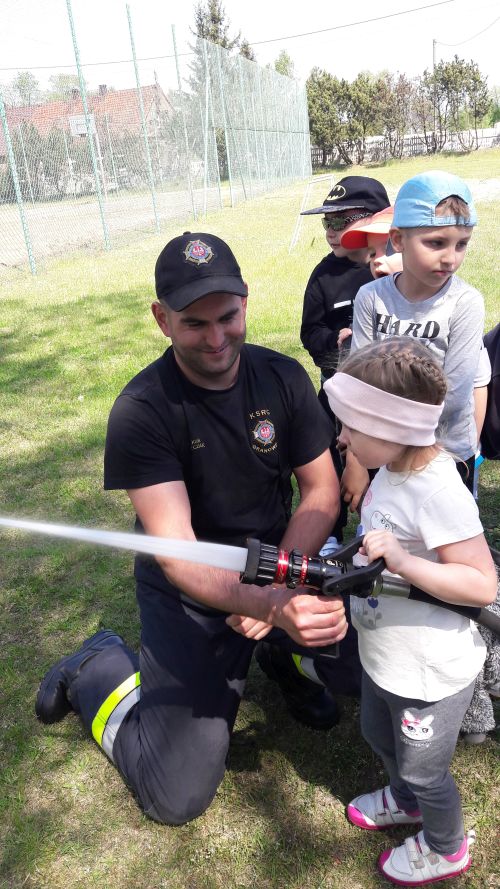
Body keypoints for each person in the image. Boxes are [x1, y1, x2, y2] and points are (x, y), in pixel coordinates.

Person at [35, 232, 361, 826]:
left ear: (245, 300)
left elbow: (320, 490)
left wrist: (278, 592)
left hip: (279, 566)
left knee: (368, 665)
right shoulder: (141, 409)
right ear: (162, 320)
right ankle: (96, 667)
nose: (216, 339)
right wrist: (265, 602)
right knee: (175, 795)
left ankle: (282, 661)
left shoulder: (283, 377)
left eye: (228, 317)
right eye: (194, 323)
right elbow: (178, 554)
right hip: (189, 593)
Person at [324, 337, 497, 886]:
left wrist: (402, 561)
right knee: (378, 735)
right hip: (385, 657)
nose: (341, 437)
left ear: (393, 428)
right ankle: (405, 801)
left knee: (426, 770)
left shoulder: (438, 491)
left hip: (430, 675)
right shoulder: (389, 470)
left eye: (351, 426)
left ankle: (447, 847)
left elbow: (481, 583)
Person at [345, 170, 485, 511]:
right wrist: (356, 457)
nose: (450, 257)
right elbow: (356, 382)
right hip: (381, 448)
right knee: (384, 526)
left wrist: (387, 435)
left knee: (445, 535)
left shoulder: (465, 303)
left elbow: (454, 396)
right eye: (436, 243)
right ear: (398, 240)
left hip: (445, 454)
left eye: (461, 244)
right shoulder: (370, 297)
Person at [299, 176, 390, 537]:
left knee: (386, 465)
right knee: (330, 462)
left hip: (388, 395)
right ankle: (330, 535)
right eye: (327, 221)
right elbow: (310, 331)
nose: (330, 231)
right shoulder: (324, 275)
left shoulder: (397, 270)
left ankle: (378, 529)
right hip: (338, 391)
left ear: (378, 221)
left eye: (342, 220)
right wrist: (333, 342)